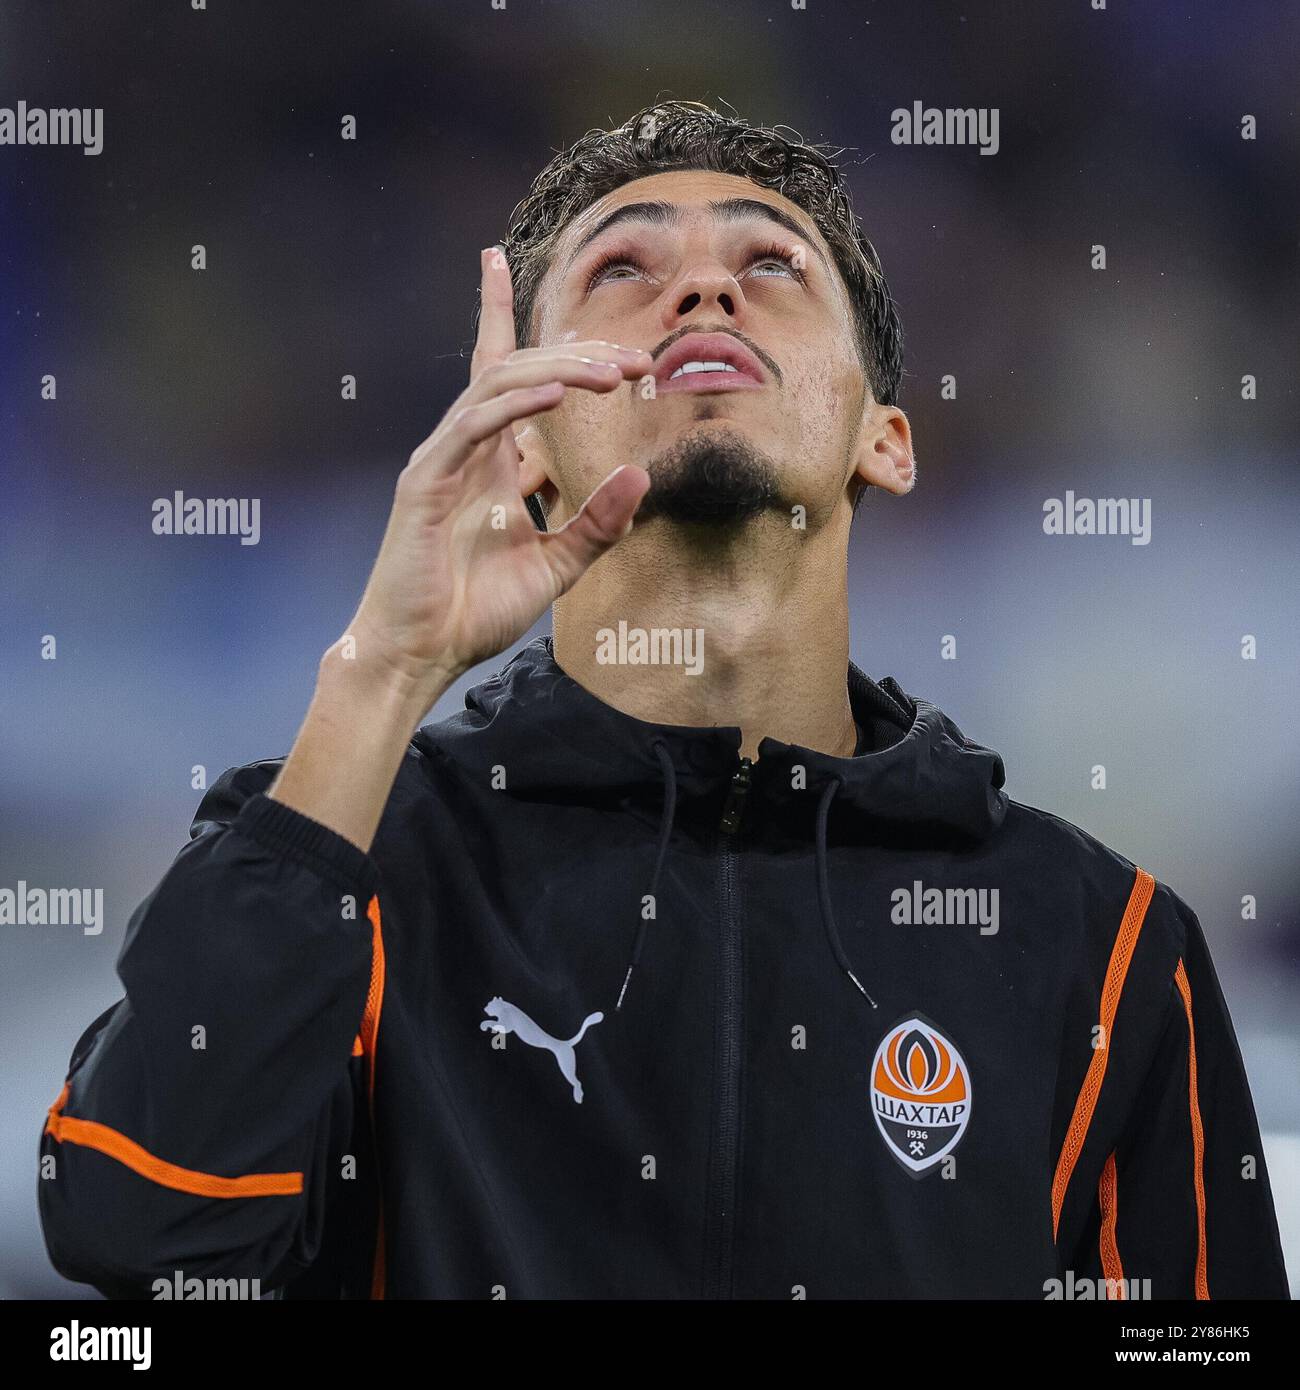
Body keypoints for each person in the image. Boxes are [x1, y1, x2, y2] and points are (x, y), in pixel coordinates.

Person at [39, 101, 1288, 1300]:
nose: (703, 288)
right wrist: (384, 667)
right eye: (623, 270)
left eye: (773, 262)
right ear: (526, 444)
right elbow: (148, 1242)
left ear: (884, 439)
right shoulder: (350, 867)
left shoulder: (1103, 943)